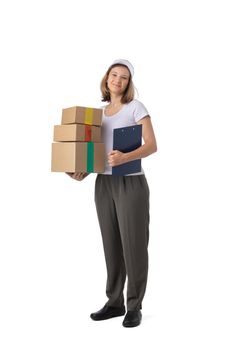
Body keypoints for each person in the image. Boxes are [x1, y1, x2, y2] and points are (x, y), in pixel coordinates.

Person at [67, 59, 157, 327]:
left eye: (124, 77)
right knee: (112, 245)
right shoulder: (97, 114)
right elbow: (97, 155)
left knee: (135, 245)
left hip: (131, 183)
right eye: (114, 75)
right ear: (106, 78)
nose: (118, 80)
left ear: (129, 83)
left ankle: (134, 306)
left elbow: (152, 145)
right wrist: (82, 171)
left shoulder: (135, 108)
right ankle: (114, 302)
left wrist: (126, 156)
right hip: (104, 184)